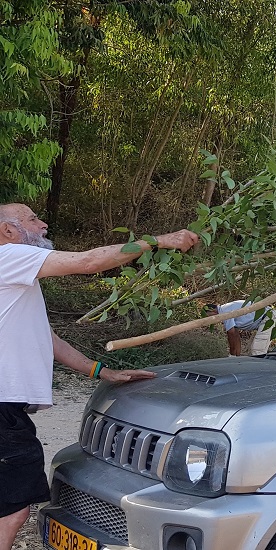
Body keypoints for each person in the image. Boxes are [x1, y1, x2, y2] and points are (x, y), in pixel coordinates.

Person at [0, 202, 199, 550]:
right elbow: (90, 261)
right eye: (33, 218)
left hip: (7, 409)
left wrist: (101, 371)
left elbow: (46, 338)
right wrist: (159, 241)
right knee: (13, 511)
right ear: (9, 231)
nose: (43, 223)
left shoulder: (15, 279)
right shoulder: (10, 257)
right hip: (2, 410)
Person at [208, 300, 276, 356]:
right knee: (251, 351)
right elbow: (235, 335)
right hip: (264, 318)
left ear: (213, 311)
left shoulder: (224, 312)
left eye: (208, 317)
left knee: (257, 351)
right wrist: (237, 356)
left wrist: (232, 355)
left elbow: (231, 334)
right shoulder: (226, 308)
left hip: (269, 318)